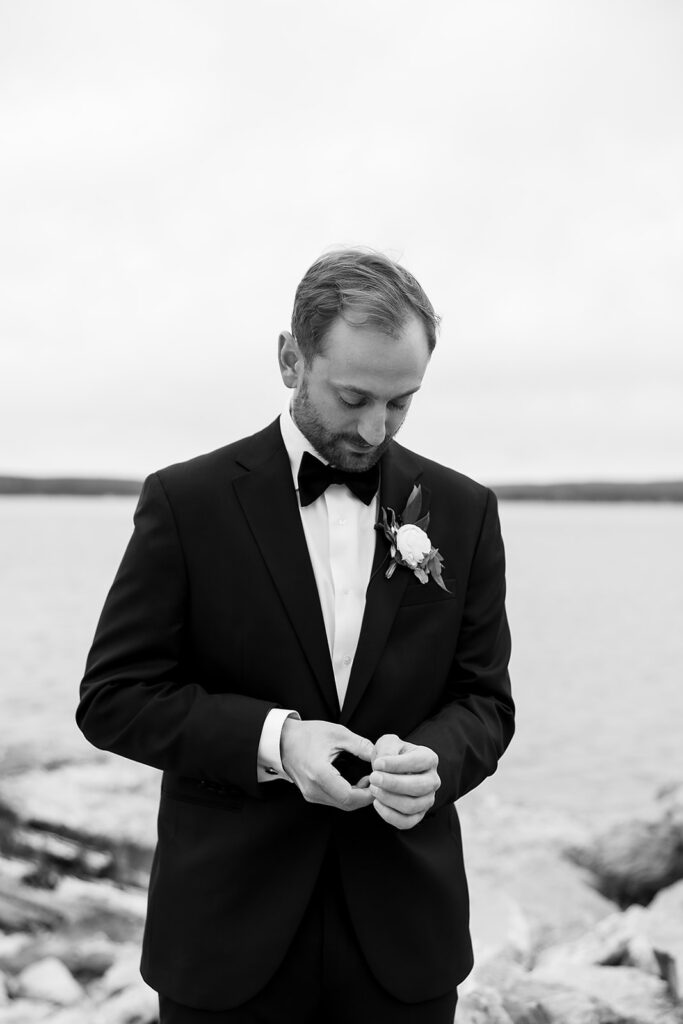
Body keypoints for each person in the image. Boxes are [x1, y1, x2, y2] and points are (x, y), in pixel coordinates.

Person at [76, 248, 514, 1023]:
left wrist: (435, 763)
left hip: (403, 940)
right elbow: (115, 697)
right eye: (353, 398)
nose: (374, 429)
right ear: (290, 358)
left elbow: (483, 701)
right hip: (224, 939)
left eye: (402, 403)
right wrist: (277, 741)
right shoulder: (186, 503)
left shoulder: (462, 510)